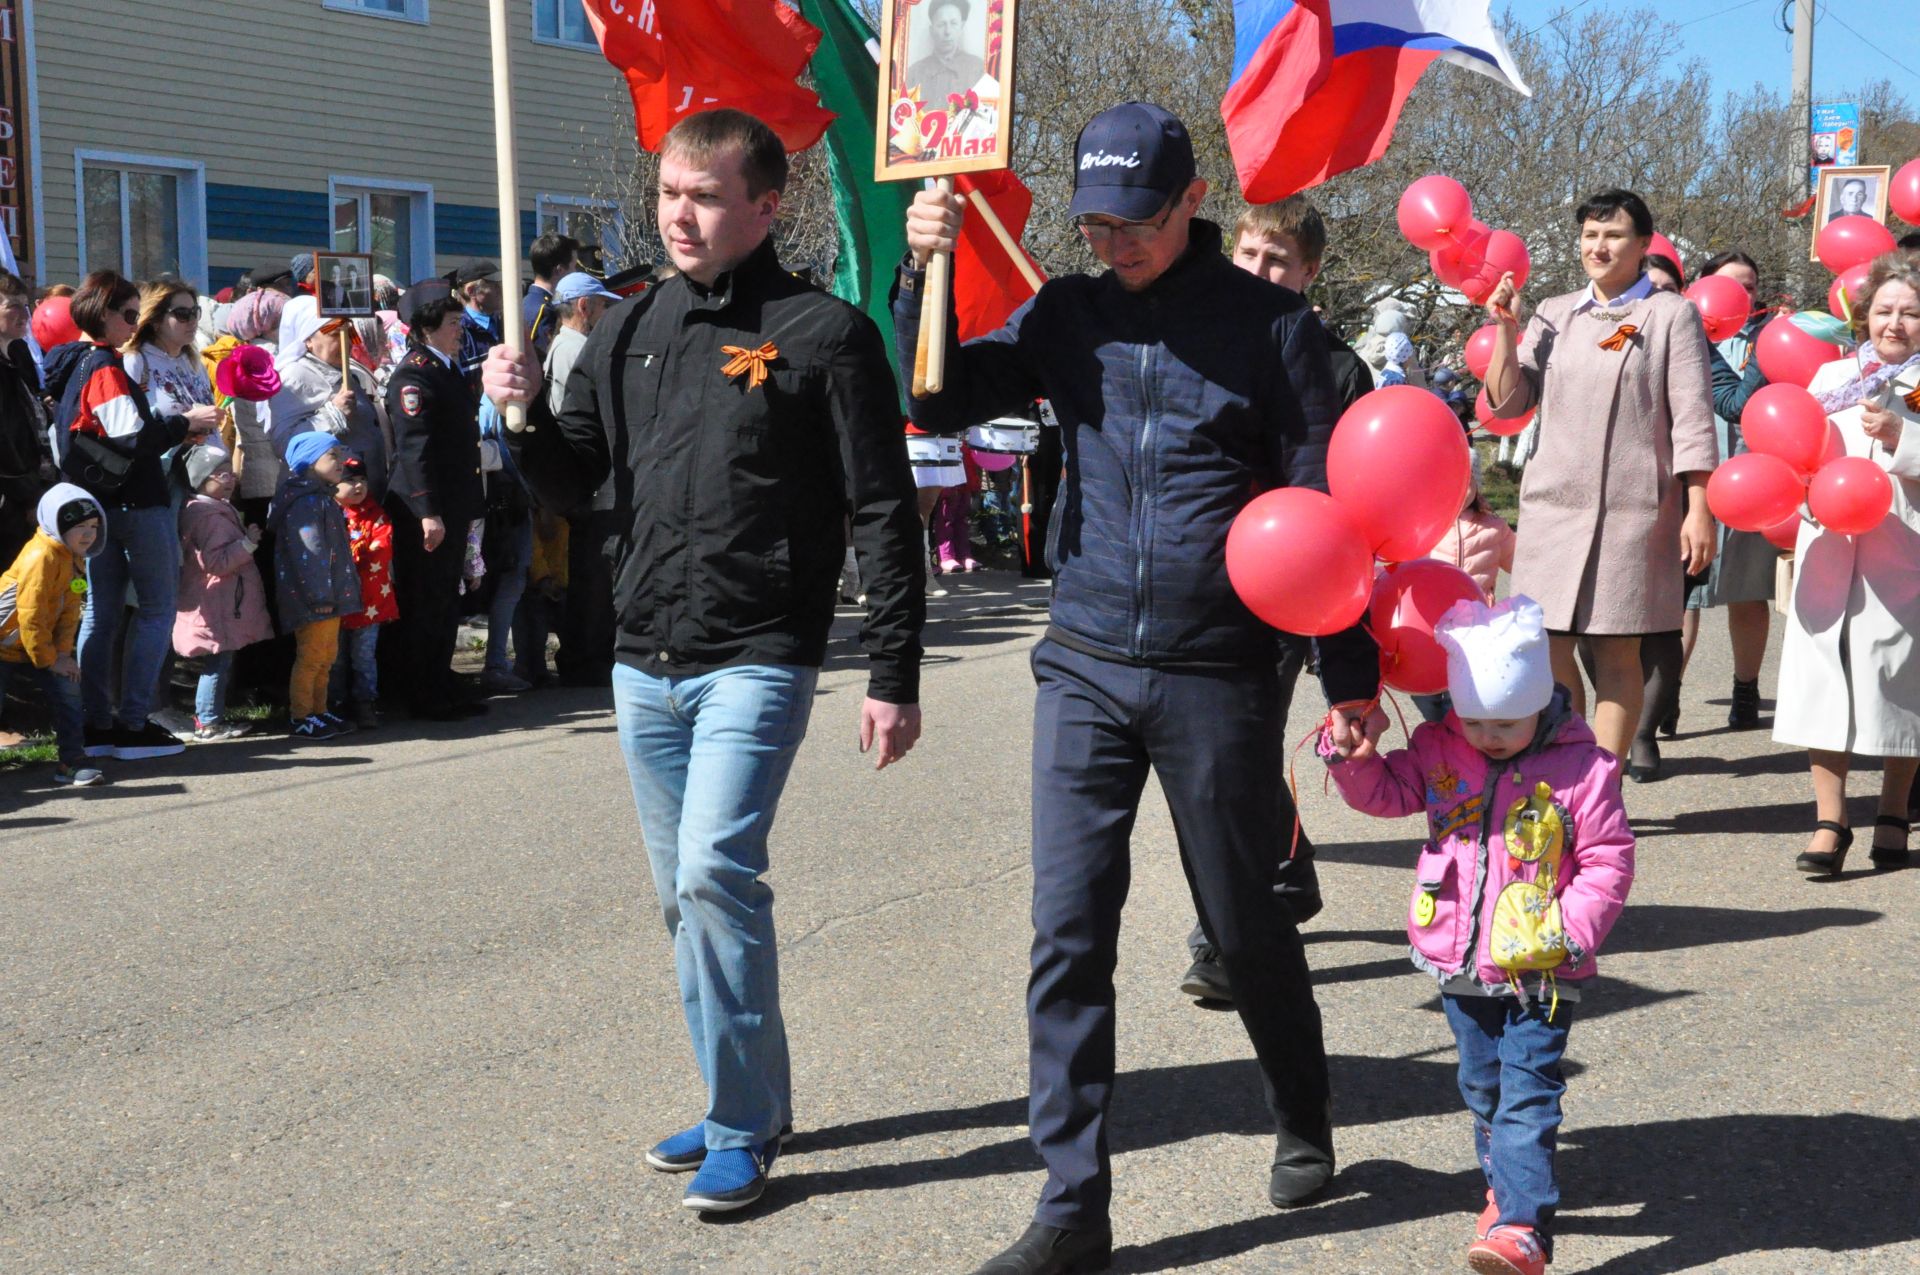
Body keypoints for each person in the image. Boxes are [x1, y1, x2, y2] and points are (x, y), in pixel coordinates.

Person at [897, 102, 1378, 1274]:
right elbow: (937, 400)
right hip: (1088, 661)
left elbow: (1327, 513)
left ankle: (1302, 1104)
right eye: (1093, 222)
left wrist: (1349, 679)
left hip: (1220, 674)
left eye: (1136, 222)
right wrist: (930, 266)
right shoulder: (1067, 313)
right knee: (1067, 931)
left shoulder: (1276, 331)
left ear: (1193, 198)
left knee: (1245, 917)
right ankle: (1072, 1207)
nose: (1113, 241)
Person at [482, 107, 926, 1216]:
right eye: (672, 193)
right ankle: (751, 1099)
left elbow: (884, 511)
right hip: (644, 656)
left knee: (713, 874)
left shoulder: (824, 334)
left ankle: (740, 1125)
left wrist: (893, 672)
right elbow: (577, 481)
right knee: (684, 902)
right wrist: (520, 419)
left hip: (758, 650)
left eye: (708, 196)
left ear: (765, 207)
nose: (682, 215)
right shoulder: (627, 330)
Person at [1323, 595, 1633, 1275]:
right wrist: (1351, 757)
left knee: (1527, 1089)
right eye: (1475, 719)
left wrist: (1569, 930)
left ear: (1541, 701)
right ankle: (1505, 1192)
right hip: (1459, 959)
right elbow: (1386, 794)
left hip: (1543, 970)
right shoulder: (1440, 748)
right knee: (1483, 1085)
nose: (1489, 735)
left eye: (1506, 721)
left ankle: (1523, 1226)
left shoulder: (1585, 770)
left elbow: (1608, 859)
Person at [1178, 192, 1374, 1004]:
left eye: (1279, 261)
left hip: (1303, 588)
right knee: (1229, 759)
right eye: (1250, 255)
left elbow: (1361, 506)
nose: (1261, 272)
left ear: (1310, 272)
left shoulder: (1337, 367)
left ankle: (1223, 935)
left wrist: (1353, 661)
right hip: (1213, 582)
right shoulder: (1204, 342)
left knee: (1233, 760)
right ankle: (1280, 873)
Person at [1483, 189, 1719, 765]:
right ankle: (1569, 761)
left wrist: (1698, 507)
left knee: (1617, 654)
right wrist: (1507, 332)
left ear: (1643, 245)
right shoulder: (1553, 312)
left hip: (1634, 514)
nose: (1599, 246)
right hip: (1552, 509)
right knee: (1547, 646)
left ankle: (1603, 788)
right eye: (1590, 235)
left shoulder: (1670, 314)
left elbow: (1692, 418)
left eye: (1613, 235)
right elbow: (1507, 405)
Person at [1777, 251, 1920, 875]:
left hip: (1902, 550)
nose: (1896, 324)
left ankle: (1892, 812)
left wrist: (1901, 436)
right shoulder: (1830, 378)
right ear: (1862, 317)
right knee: (1821, 676)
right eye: (1884, 310)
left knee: (1898, 680)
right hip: (1827, 547)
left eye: (1912, 313)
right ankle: (1829, 822)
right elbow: (1794, 453)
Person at [61, 270, 217, 761]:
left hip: (100, 507)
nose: (134, 323)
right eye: (128, 315)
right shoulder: (104, 366)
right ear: (104, 315)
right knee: (153, 611)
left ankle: (97, 724)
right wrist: (181, 424)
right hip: (133, 504)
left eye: (136, 314)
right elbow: (132, 437)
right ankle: (127, 725)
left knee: (102, 615)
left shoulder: (81, 364)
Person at [1679, 251, 1775, 736]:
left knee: (1748, 592)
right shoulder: (1681, 337)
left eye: (1750, 287)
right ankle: (1664, 694)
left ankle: (1746, 687)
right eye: (1729, 286)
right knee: (1682, 598)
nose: (1741, 297)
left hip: (1758, 482)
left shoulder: (1776, 339)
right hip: (1691, 477)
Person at [383, 278, 488, 722]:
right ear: (426, 328)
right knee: (426, 601)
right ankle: (422, 692)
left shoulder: (445, 370)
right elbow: (415, 449)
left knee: (446, 599)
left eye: (460, 321)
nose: (459, 330)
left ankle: (441, 680)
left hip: (453, 504)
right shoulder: (414, 375)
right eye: (452, 322)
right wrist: (429, 513)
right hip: (425, 509)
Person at [0, 483, 108, 786]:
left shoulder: (73, 555)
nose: (88, 534)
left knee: (69, 693)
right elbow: (30, 615)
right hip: (6, 645)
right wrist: (50, 661)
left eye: (93, 526)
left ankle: (71, 761)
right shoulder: (41, 557)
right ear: (56, 525)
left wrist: (63, 654)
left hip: (37, 647)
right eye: (79, 527)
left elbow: (70, 608)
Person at [544, 271, 623, 688]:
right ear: (584, 306)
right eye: (603, 305)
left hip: (588, 477)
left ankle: (589, 654)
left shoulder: (577, 345)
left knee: (595, 575)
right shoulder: (575, 348)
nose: (606, 312)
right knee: (591, 578)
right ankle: (584, 657)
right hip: (586, 478)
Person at [172, 445, 269, 741]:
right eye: (220, 473)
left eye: (230, 471)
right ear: (201, 479)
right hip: (217, 602)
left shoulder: (206, 508)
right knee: (218, 661)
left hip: (219, 600)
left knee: (219, 660)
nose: (229, 478)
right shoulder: (208, 516)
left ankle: (210, 719)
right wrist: (248, 544)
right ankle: (209, 722)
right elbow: (215, 562)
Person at [271, 431, 361, 741]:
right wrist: (320, 595)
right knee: (311, 657)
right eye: (332, 456)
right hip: (314, 598)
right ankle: (301, 716)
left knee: (326, 656)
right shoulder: (305, 502)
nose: (340, 462)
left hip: (329, 595)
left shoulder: (322, 497)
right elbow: (309, 553)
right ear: (309, 462)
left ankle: (319, 711)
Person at [269, 295, 391, 498]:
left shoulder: (347, 372)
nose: (346, 344)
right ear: (308, 340)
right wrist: (334, 414)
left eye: (348, 335)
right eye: (335, 335)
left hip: (363, 496)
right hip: (326, 499)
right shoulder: (294, 376)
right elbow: (284, 443)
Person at [330, 456, 395, 728]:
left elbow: (381, 545)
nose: (358, 487)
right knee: (335, 658)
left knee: (364, 656)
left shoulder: (376, 514)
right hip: (335, 601)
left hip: (370, 600)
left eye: (362, 481)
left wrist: (356, 553)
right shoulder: (329, 513)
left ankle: (365, 703)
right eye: (349, 481)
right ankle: (334, 704)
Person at [904, 0, 986, 111]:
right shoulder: (914, 74)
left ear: (961, 27)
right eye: (941, 24)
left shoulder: (978, 70)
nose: (948, 31)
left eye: (953, 23)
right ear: (931, 31)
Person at [523, 232, 581, 359]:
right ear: (559, 270)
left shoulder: (526, 301)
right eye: (574, 266)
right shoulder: (545, 311)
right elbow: (549, 359)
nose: (576, 272)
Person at [454, 261, 504, 391]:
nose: (501, 289)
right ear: (471, 291)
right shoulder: (458, 330)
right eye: (494, 284)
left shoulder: (506, 323)